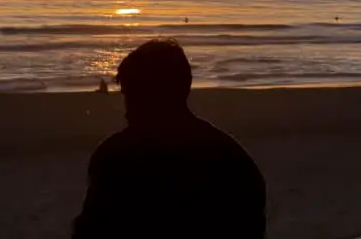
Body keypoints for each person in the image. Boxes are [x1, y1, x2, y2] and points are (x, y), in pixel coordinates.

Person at [73, 39, 266, 239]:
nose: (127, 111)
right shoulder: (235, 162)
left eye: (131, 96)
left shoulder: (115, 158)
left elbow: (90, 231)